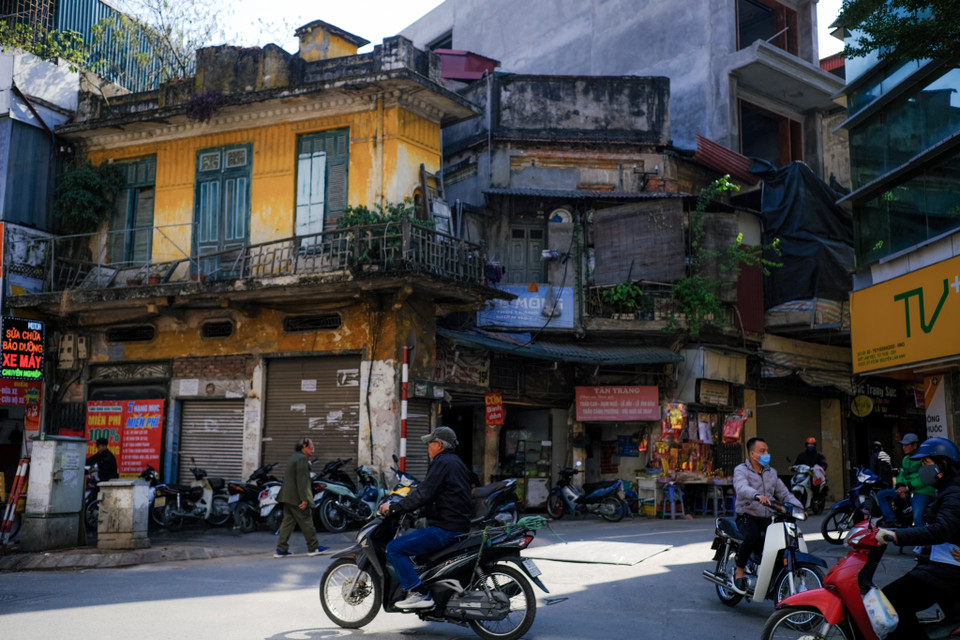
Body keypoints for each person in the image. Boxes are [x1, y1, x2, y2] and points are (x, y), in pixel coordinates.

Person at [377, 426, 473, 609]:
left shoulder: (442, 462)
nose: (428, 446)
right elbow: (443, 495)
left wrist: (395, 508)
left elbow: (424, 493)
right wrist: (418, 511)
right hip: (457, 525)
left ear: (439, 444)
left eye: (430, 442)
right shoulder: (457, 462)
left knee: (395, 548)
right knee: (418, 556)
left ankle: (419, 592)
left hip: (445, 529)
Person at [876, 437, 960, 640]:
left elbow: (941, 530)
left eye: (926, 463)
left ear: (943, 465)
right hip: (938, 563)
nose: (923, 468)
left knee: (891, 600)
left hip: (945, 569)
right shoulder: (947, 488)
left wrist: (896, 535)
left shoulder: (954, 492)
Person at [730, 437, 802, 594]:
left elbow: (785, 494)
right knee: (752, 537)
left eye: (767, 451)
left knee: (781, 542)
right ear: (752, 454)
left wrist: (800, 508)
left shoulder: (772, 473)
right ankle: (739, 571)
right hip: (747, 514)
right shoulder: (741, 470)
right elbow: (741, 487)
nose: (766, 454)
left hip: (768, 516)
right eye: (762, 451)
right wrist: (756, 495)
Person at [274, 437, 327, 558]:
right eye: (311, 447)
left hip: (287, 496)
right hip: (296, 497)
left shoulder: (294, 457)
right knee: (306, 520)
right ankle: (314, 547)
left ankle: (281, 549)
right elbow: (302, 481)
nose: (313, 450)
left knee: (287, 523)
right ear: (304, 446)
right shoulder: (302, 459)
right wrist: (304, 499)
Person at [877, 433, 936, 527]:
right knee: (881, 494)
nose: (903, 447)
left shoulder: (924, 459)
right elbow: (901, 474)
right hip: (907, 489)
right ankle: (892, 522)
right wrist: (901, 487)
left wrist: (907, 488)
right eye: (903, 445)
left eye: (906, 445)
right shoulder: (906, 459)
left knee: (917, 518)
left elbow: (923, 478)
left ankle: (923, 537)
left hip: (922, 491)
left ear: (915, 446)